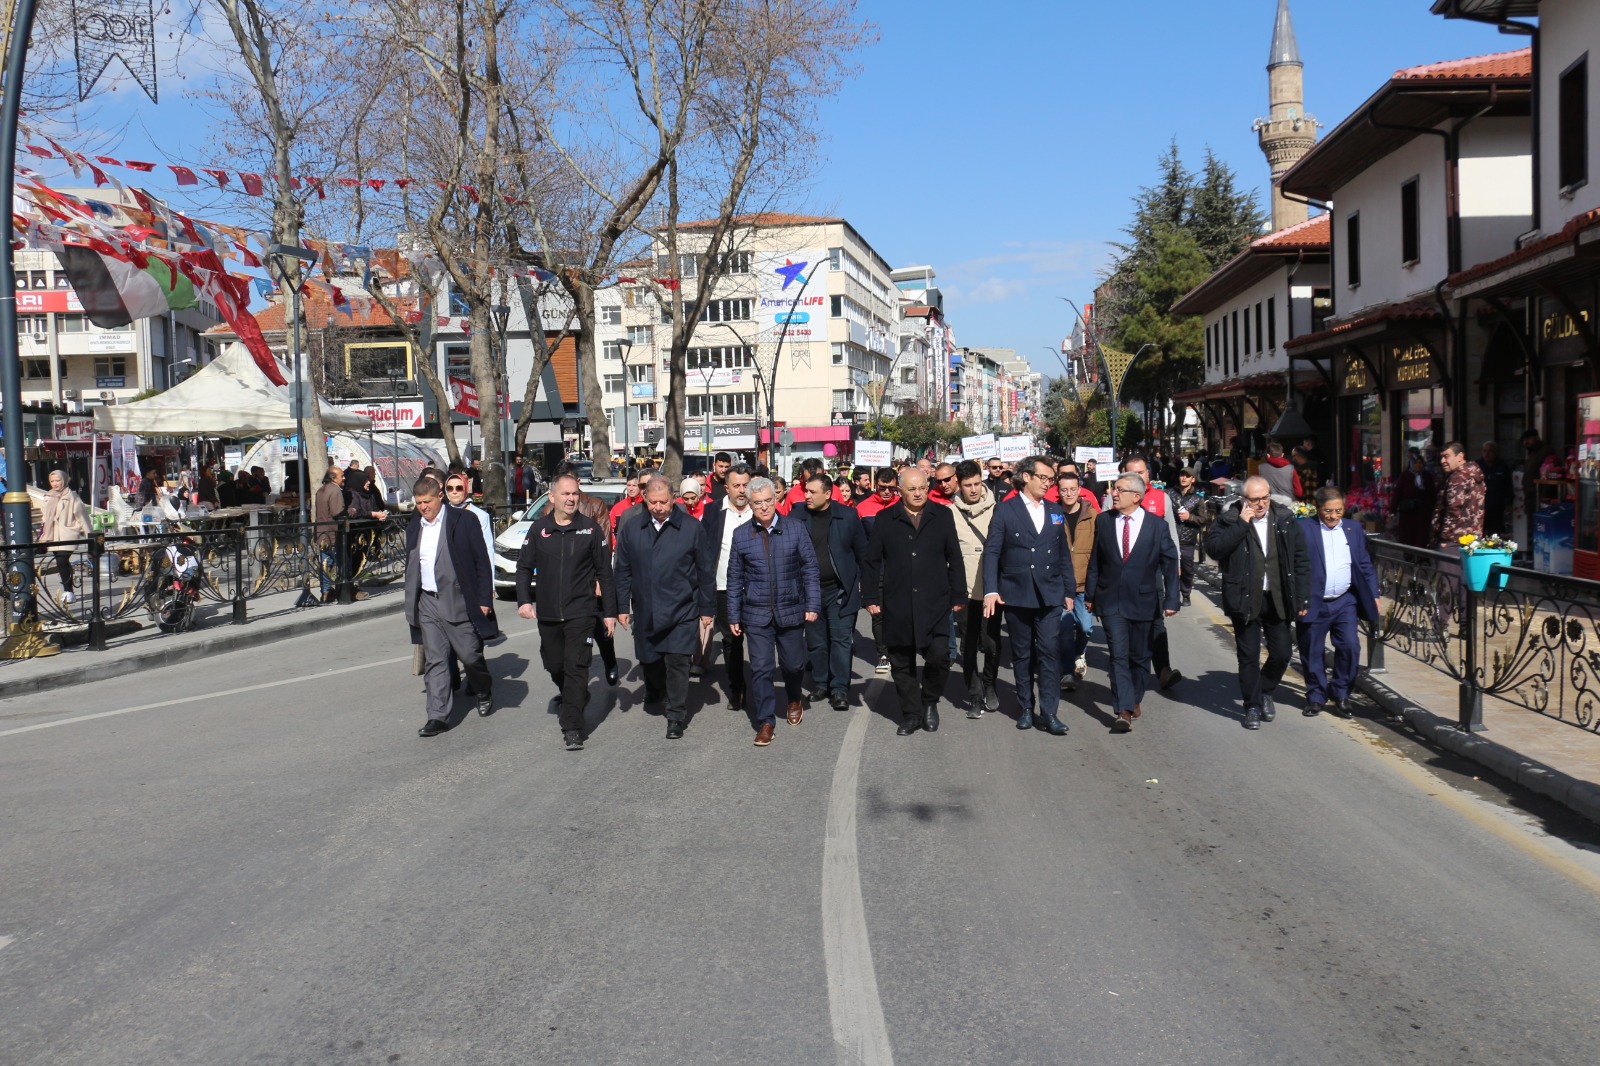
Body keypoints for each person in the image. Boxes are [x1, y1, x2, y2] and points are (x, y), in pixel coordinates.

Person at [516, 473, 617, 751]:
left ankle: (572, 726)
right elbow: (524, 567)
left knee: (576, 667)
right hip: (548, 613)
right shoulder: (539, 529)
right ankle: (575, 694)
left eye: (575, 494)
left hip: (581, 613)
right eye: (565, 494)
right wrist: (524, 601)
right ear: (552, 498)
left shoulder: (590, 530)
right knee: (554, 665)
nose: (571, 498)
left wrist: (609, 611)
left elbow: (605, 573)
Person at [863, 468, 966, 735]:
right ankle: (911, 713)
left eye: (922, 487)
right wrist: (871, 596)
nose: (918, 493)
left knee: (940, 656)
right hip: (898, 602)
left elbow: (954, 557)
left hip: (935, 602)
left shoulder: (942, 515)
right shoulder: (886, 518)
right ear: (900, 491)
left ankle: (930, 702)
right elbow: (872, 560)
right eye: (912, 489)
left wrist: (957, 594)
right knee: (900, 662)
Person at [1204, 475, 1311, 730]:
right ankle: (1251, 706)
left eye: (1264, 498)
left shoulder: (1284, 519)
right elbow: (1214, 550)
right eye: (1254, 499)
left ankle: (1264, 690)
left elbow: (1301, 559)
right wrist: (1242, 523)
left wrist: (1303, 596)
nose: (1260, 504)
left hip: (1277, 598)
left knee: (1283, 652)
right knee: (1248, 655)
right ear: (1244, 499)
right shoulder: (1229, 519)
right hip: (1245, 598)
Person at [981, 455, 1076, 736]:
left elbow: (1062, 554)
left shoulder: (1055, 510)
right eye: (1044, 478)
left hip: (1049, 593)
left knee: (1049, 651)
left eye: (1051, 479)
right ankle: (1025, 707)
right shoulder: (1006, 510)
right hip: (1017, 592)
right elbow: (993, 552)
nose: (1049, 483)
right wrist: (991, 589)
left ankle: (1049, 712)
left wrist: (1069, 589)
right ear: (1026, 477)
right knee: (1022, 654)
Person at [615, 477, 713, 739]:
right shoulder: (633, 528)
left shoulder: (691, 528)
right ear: (645, 500)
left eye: (664, 501)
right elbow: (622, 570)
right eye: (653, 502)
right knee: (651, 661)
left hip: (683, 609)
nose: (658, 507)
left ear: (673, 499)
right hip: (646, 609)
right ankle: (656, 688)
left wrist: (707, 608)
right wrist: (621, 606)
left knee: (678, 662)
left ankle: (676, 715)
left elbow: (705, 570)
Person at [726, 476, 820, 747]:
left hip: (790, 609)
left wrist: (812, 604)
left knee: (793, 664)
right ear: (750, 504)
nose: (764, 507)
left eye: (768, 500)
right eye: (758, 503)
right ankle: (766, 721)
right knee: (761, 668)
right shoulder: (741, 535)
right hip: (756, 614)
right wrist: (733, 614)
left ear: (776, 499)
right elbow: (735, 578)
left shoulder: (796, 528)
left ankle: (793, 697)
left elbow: (810, 569)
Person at [1084, 473, 1180, 733]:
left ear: (1136, 497)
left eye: (1119, 490)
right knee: (1118, 655)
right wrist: (1090, 595)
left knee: (1140, 657)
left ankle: (1135, 697)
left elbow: (1170, 564)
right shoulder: (1104, 521)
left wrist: (1172, 599)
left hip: (1144, 601)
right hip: (1111, 600)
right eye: (1114, 489)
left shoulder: (1156, 526)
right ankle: (1123, 709)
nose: (1113, 493)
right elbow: (1096, 561)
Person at [406, 476, 496, 737]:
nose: (423, 507)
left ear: (439, 497)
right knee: (436, 660)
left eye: (427, 501)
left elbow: (481, 561)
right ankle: (437, 716)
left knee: (469, 655)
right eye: (419, 502)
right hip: (428, 602)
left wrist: (484, 600)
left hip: (459, 600)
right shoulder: (415, 525)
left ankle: (482, 688)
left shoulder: (464, 520)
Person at [1298, 486, 1380, 720]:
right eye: (1328, 511)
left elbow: (1364, 564)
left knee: (1350, 646)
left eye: (1338, 511)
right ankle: (1316, 696)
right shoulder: (1304, 528)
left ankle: (1341, 691)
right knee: (1312, 651)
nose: (1334, 516)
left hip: (1345, 601)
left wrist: (1374, 594)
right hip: (1314, 601)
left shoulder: (1353, 529)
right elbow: (1294, 567)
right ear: (1318, 508)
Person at [800, 472, 869, 711]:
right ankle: (821, 683)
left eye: (812, 492)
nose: (807, 496)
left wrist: (862, 583)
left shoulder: (847, 516)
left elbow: (863, 553)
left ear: (828, 494)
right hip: (810, 593)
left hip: (841, 591)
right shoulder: (798, 515)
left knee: (841, 640)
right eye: (805, 491)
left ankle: (839, 688)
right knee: (817, 642)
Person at [1117, 454, 1183, 690]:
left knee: (1156, 621)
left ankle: (1163, 669)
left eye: (1142, 472)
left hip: (1152, 574)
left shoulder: (1161, 498)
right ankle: (1128, 670)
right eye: (1132, 472)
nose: (1138, 477)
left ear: (1149, 474)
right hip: (1123, 576)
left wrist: (1174, 565)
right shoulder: (1114, 498)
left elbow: (1171, 534)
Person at [699, 462, 758, 710]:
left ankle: (761, 687)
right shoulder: (713, 512)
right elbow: (702, 552)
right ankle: (737, 689)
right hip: (724, 589)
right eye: (737, 485)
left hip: (757, 590)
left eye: (746, 485)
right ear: (726, 488)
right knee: (731, 642)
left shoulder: (762, 510)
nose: (742, 490)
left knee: (759, 640)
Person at [951, 460, 1003, 716]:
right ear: (958, 485)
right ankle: (974, 694)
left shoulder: (998, 510)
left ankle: (990, 684)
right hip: (964, 593)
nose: (973, 489)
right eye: (967, 485)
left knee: (992, 645)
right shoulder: (950, 513)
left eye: (976, 484)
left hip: (991, 592)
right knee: (968, 646)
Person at [855, 467, 901, 676]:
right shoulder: (863, 507)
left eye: (891, 488)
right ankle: (883, 653)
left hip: (900, 569)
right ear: (876, 485)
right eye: (883, 488)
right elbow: (857, 542)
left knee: (899, 614)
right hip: (875, 569)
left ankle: (898, 651)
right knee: (878, 615)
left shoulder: (903, 505)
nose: (886, 492)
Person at [1055, 469, 1096, 693]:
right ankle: (1067, 671)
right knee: (1063, 627)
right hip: (1061, 584)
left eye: (1072, 489)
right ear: (1058, 491)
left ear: (1079, 490)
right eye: (1064, 490)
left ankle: (1079, 651)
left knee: (1085, 627)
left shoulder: (1093, 516)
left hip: (1084, 583)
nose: (1068, 494)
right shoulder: (1052, 514)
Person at [40, 468, 89, 604]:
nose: (55, 483)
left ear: (64, 480)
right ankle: (69, 590)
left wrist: (90, 534)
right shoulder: (48, 496)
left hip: (68, 534)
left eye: (58, 480)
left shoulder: (72, 496)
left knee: (62, 561)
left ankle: (68, 591)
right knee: (61, 563)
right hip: (53, 535)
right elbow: (45, 517)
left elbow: (82, 517)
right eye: (52, 481)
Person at [1433, 441, 1486, 551]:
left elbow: (1454, 509)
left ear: (1460, 456)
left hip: (1454, 540)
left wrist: (1445, 537)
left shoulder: (1458, 477)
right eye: (1441, 457)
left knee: (1447, 568)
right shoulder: (1474, 474)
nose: (1442, 461)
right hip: (1473, 538)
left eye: (1446, 456)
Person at [313, 466, 348, 602]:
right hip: (332, 533)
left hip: (321, 532)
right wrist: (349, 511)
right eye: (342, 476)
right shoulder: (335, 490)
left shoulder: (321, 490)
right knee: (338, 562)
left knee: (325, 563)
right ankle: (342, 590)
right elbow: (336, 511)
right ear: (333, 478)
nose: (344, 478)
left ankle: (326, 592)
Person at [1390, 450, 1436, 548]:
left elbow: (1432, 495)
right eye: (1416, 463)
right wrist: (1392, 511)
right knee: (1408, 538)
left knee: (1422, 538)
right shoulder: (1405, 476)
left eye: (1420, 463)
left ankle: (1421, 558)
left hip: (1423, 514)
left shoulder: (1427, 477)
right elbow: (1397, 493)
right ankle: (1409, 558)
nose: (1418, 465)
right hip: (1408, 513)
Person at [1172, 468, 1204, 607]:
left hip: (1187, 540)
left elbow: (1204, 519)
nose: (1183, 478)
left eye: (1187, 476)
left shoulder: (1197, 499)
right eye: (1182, 475)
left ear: (1193, 479)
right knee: (1170, 569)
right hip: (1171, 537)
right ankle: (1172, 596)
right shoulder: (1170, 494)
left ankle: (1186, 594)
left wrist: (1189, 517)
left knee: (1187, 570)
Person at [1478, 441, 1512, 538]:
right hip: (1480, 508)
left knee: (1496, 535)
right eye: (1484, 451)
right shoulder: (1476, 466)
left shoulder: (1502, 466)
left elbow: (1508, 486)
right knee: (1480, 535)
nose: (1487, 454)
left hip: (1497, 507)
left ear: (1496, 452)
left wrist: (1509, 502)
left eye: (1490, 451)